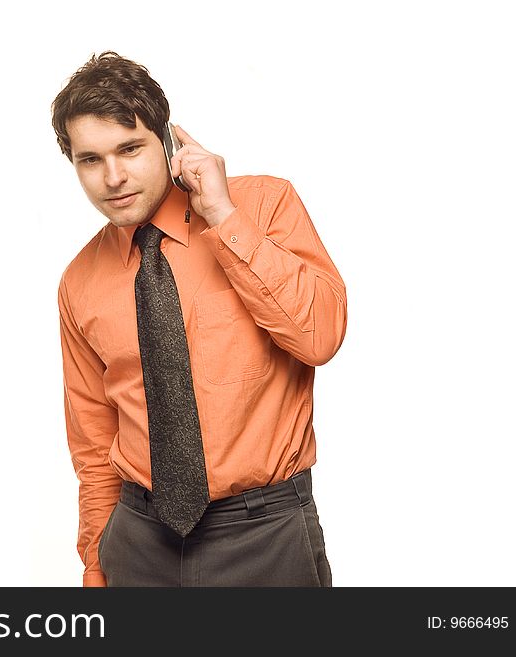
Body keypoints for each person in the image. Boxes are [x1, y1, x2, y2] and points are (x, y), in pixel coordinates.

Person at [52, 51, 347, 587]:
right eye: (90, 159)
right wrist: (95, 564)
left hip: (265, 535)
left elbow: (320, 336)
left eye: (130, 149)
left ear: (167, 142)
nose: (113, 177)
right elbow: (94, 442)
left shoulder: (260, 205)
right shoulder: (80, 282)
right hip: (138, 542)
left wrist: (221, 215)